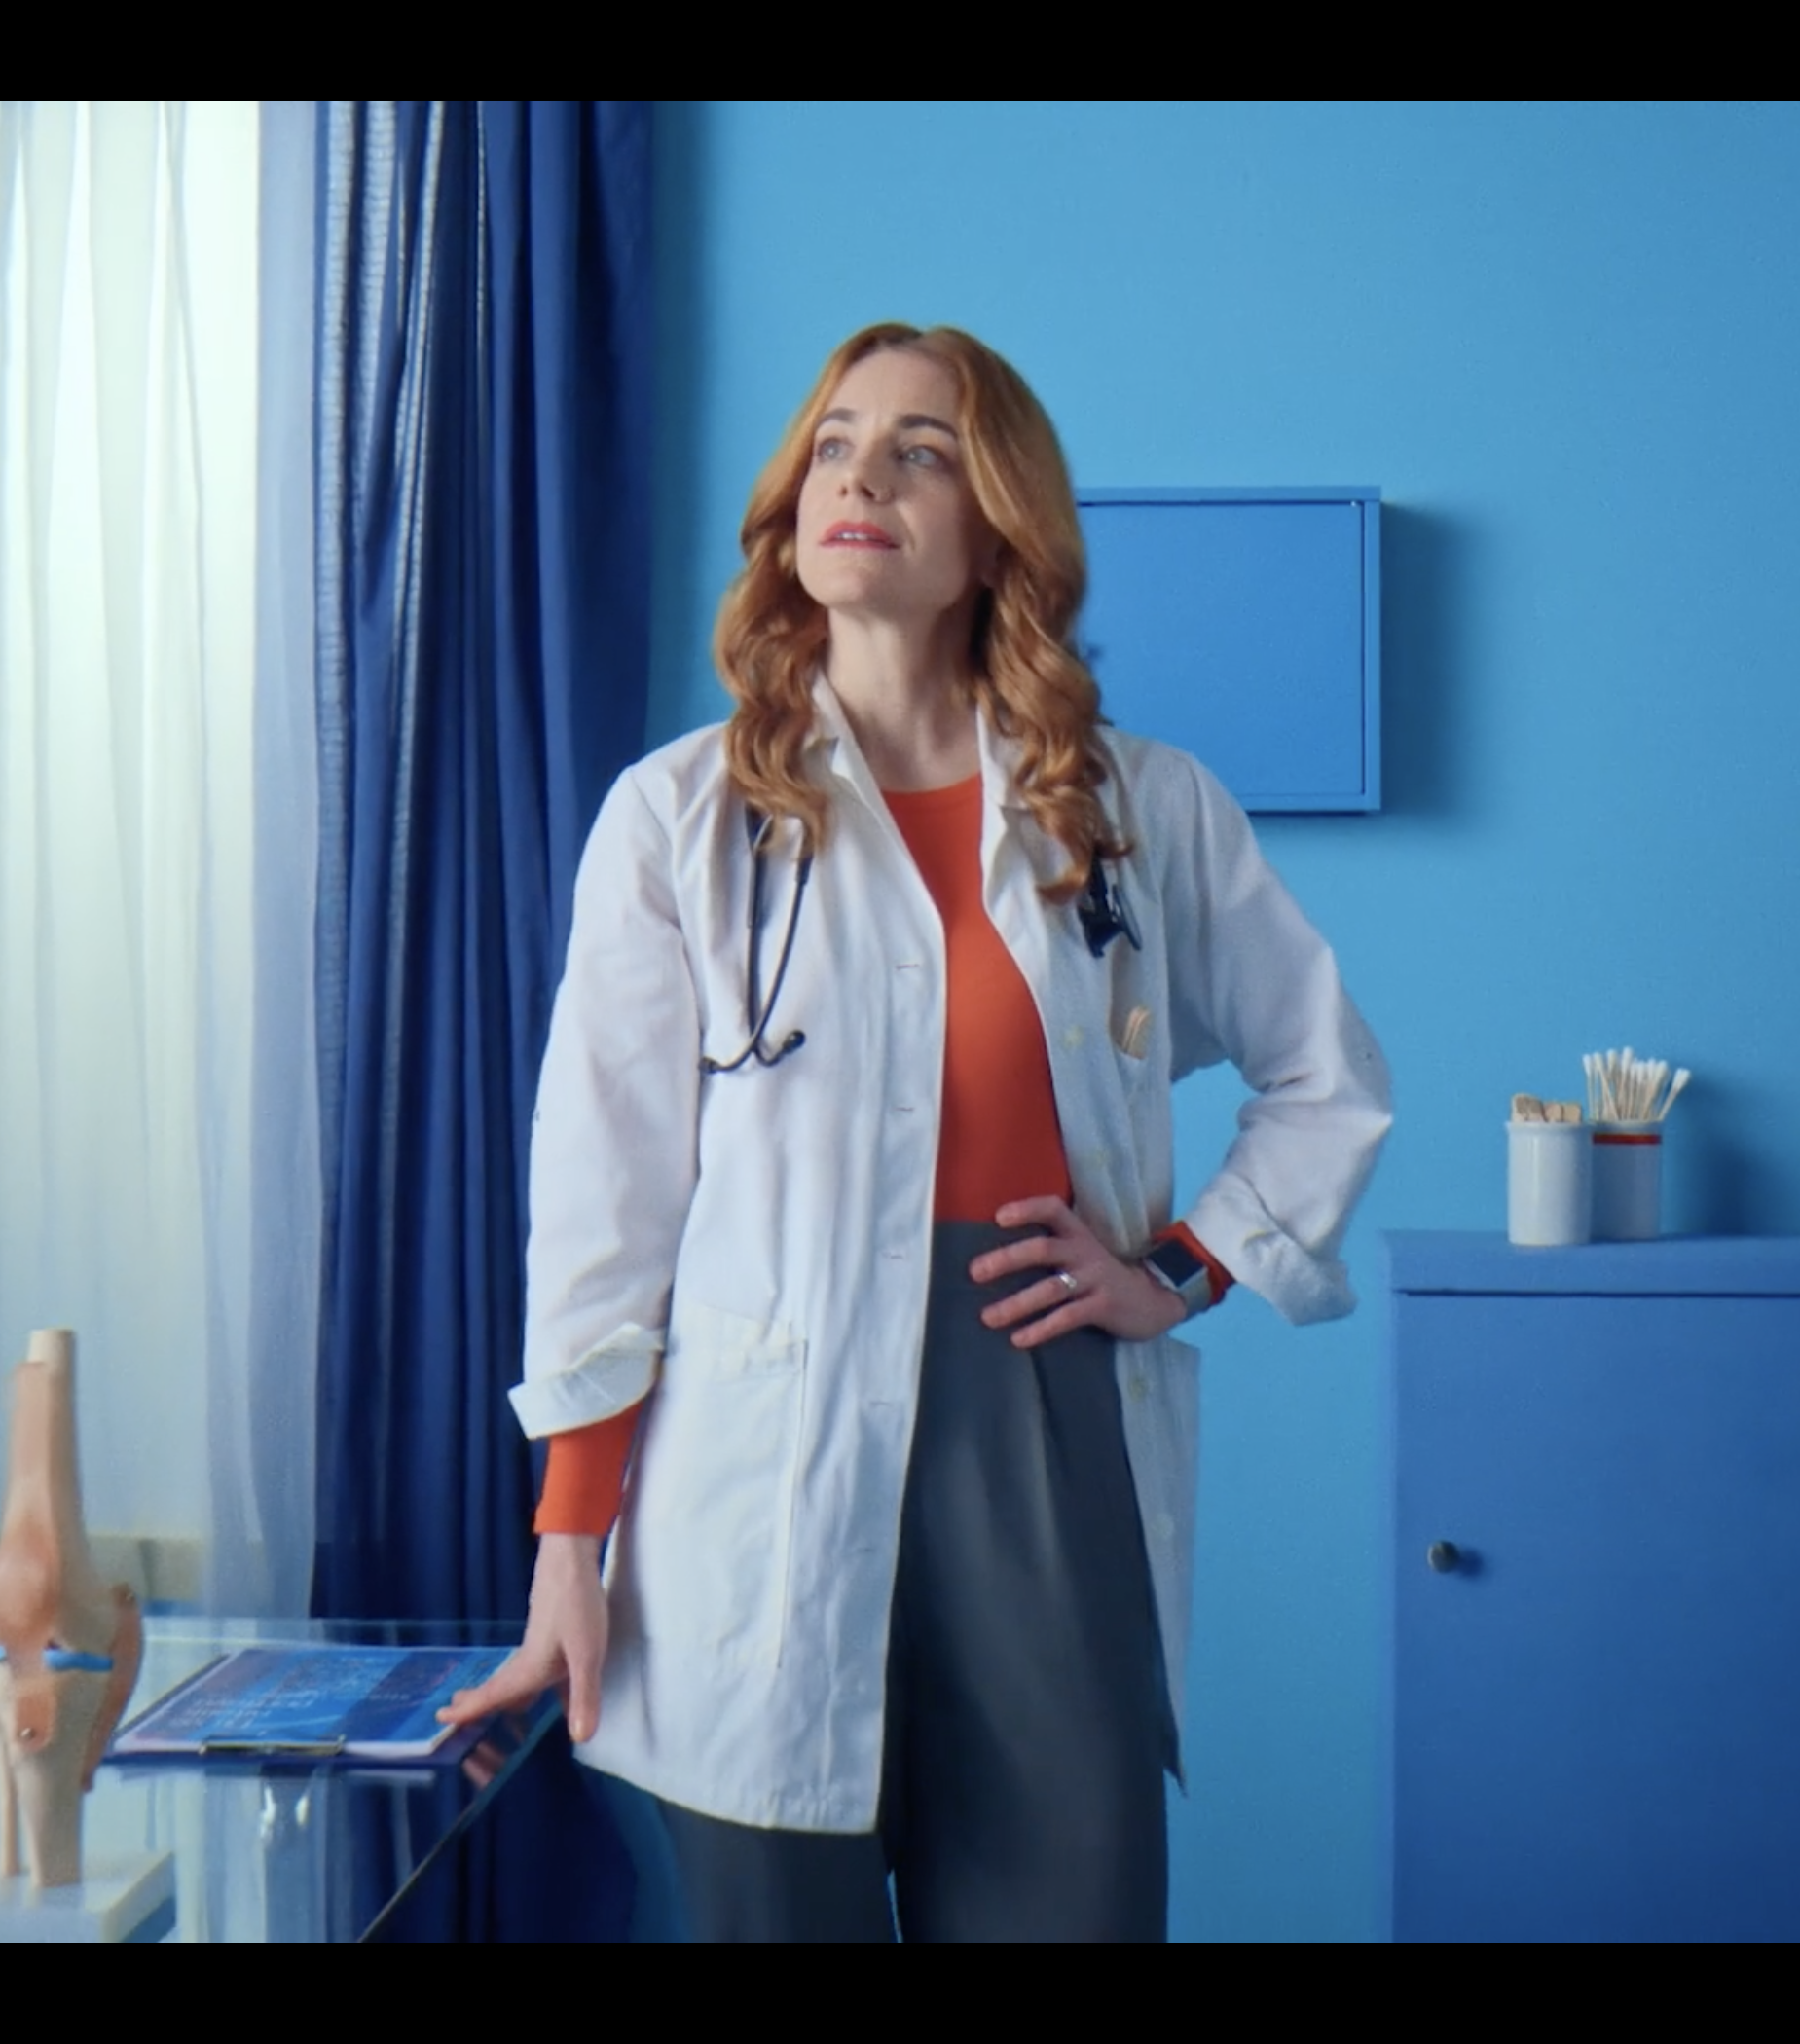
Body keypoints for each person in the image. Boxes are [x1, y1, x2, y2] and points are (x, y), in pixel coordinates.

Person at [438, 323, 1392, 1942]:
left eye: (920, 452)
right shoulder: (679, 821)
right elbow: (604, 1208)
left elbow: (1328, 1074)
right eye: (835, 443)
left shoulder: (1136, 810)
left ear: (997, 534)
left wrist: (1178, 1269)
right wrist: (567, 1547)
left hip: (1039, 1447)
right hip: (760, 1477)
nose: (861, 475)